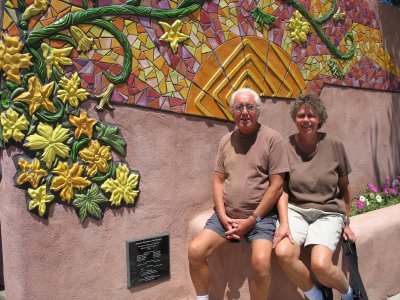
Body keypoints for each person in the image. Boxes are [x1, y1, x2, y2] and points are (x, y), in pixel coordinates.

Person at [188, 88, 290, 300]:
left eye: (249, 107)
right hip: (225, 217)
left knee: (261, 265)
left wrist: (252, 220)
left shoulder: (273, 139)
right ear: (232, 112)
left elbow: (277, 186)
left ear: (258, 111)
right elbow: (218, 180)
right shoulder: (226, 140)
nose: (244, 112)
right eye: (239, 107)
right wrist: (223, 217)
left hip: (261, 218)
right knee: (195, 252)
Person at [273, 94, 356, 300]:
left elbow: (344, 187)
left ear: (320, 118)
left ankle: (348, 294)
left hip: (328, 212)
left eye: (311, 115)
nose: (306, 120)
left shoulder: (334, 144)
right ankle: (317, 296)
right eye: (301, 115)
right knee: (283, 253)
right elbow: (281, 189)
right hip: (296, 210)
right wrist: (284, 223)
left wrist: (346, 222)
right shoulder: (285, 146)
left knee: (321, 265)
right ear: (294, 119)